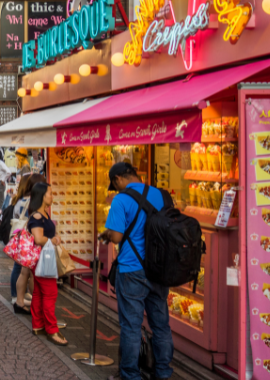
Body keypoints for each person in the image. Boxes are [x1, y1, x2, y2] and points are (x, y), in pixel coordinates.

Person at [99, 162, 173, 380]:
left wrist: (108, 234)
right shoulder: (160, 195)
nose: (117, 187)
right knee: (160, 324)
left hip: (132, 269)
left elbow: (117, 236)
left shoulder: (121, 199)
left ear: (118, 179)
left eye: (116, 184)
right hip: (158, 269)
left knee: (131, 326)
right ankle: (163, 372)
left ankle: (130, 374)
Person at [27, 182, 67, 346]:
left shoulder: (42, 214)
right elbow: (38, 239)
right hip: (44, 260)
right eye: (50, 193)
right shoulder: (38, 217)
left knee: (38, 293)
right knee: (50, 294)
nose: (52, 196)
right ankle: (52, 330)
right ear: (42, 196)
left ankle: (38, 325)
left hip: (41, 260)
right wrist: (54, 239)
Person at [10, 173, 41, 314]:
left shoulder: (21, 200)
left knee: (21, 269)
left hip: (20, 236)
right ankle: (18, 297)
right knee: (23, 271)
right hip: (29, 239)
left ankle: (18, 297)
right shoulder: (32, 202)